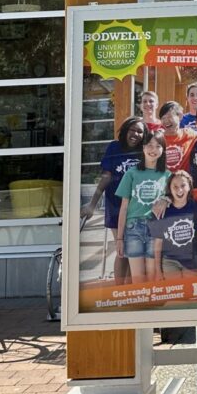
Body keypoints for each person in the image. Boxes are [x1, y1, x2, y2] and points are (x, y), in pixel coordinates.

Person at [81, 117, 145, 285]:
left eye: (140, 131)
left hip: (138, 207)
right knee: (122, 249)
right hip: (116, 205)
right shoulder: (114, 147)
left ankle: (131, 291)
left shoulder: (144, 149)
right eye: (132, 130)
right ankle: (119, 291)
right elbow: (106, 176)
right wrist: (92, 204)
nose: (136, 134)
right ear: (125, 130)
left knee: (134, 250)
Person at [114, 129, 169, 284]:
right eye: (149, 145)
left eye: (158, 146)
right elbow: (124, 207)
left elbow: (175, 196)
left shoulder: (167, 175)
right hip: (133, 228)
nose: (153, 149)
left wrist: (167, 199)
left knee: (152, 276)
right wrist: (119, 238)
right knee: (137, 278)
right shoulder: (131, 173)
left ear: (163, 150)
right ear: (143, 147)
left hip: (155, 228)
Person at [148, 170, 197, 278]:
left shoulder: (196, 207)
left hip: (192, 261)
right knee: (175, 288)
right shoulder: (163, 210)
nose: (179, 190)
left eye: (183, 185)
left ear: (189, 187)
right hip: (170, 261)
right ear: (169, 188)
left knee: (190, 288)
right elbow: (158, 242)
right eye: (175, 186)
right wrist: (158, 271)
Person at [159, 100, 197, 173]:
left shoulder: (190, 134)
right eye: (163, 118)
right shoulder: (158, 139)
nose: (166, 121)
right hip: (163, 179)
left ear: (180, 116)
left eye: (169, 116)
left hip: (184, 179)